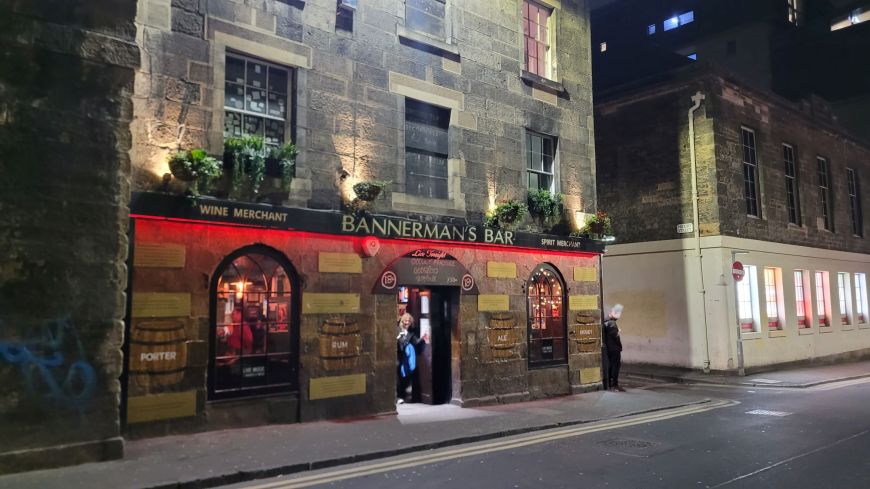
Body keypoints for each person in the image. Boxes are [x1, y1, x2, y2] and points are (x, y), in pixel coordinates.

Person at [396, 313, 424, 404]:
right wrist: (401, 337)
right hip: (400, 357)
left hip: (408, 358)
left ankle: (411, 396)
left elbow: (416, 342)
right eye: (405, 321)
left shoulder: (411, 332)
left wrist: (423, 338)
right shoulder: (398, 330)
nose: (407, 322)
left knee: (409, 375)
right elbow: (401, 342)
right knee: (400, 377)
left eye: (408, 321)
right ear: (402, 321)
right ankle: (399, 396)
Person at [603, 304, 625, 392]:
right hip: (614, 349)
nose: (620, 315)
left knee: (610, 366)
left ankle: (609, 383)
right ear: (613, 312)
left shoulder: (605, 321)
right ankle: (614, 385)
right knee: (615, 366)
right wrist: (618, 332)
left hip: (608, 348)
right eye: (619, 313)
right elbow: (615, 336)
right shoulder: (611, 323)